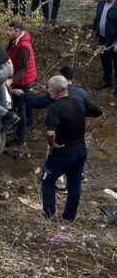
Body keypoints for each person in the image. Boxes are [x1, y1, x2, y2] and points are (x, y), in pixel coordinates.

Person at [41, 75, 103, 221]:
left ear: (55, 90)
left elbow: (50, 132)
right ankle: (69, 217)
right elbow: (99, 113)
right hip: (80, 149)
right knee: (74, 183)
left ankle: (49, 214)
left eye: (49, 87)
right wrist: (88, 130)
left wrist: (52, 145)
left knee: (48, 180)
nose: (48, 89)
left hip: (62, 152)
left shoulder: (54, 108)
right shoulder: (79, 100)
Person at [5, 22, 37, 147]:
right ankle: (29, 121)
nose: (8, 32)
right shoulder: (16, 40)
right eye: (7, 29)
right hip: (27, 78)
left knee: (20, 107)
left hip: (22, 80)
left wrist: (11, 80)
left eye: (11, 30)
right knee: (26, 101)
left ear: (18, 31)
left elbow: (23, 69)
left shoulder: (22, 46)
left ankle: (20, 139)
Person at [88, 0, 117, 93]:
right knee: (105, 61)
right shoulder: (101, 3)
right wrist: (92, 31)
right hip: (102, 38)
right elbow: (97, 18)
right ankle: (107, 80)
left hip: (114, 41)